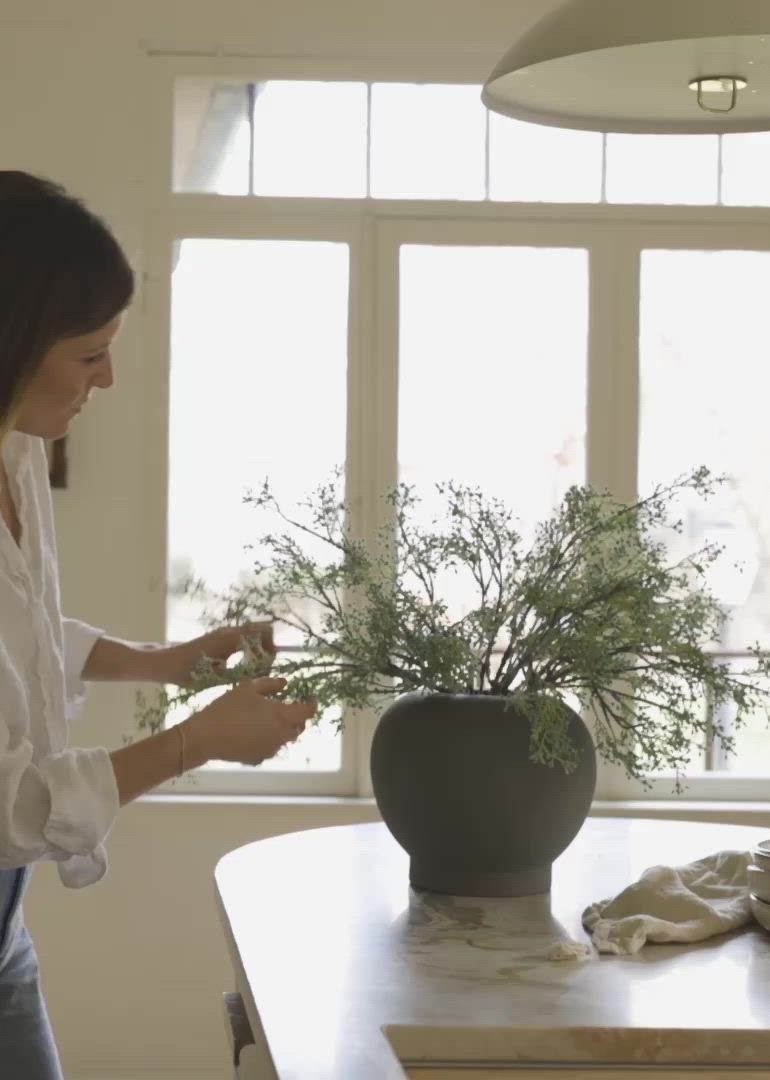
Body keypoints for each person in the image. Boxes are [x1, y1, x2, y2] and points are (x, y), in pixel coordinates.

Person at [0, 170, 316, 1078]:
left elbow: (18, 639)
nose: (110, 377)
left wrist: (167, 661)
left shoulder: (19, 451)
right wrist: (197, 742)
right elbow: (12, 804)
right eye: (90, 353)